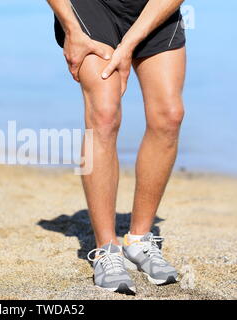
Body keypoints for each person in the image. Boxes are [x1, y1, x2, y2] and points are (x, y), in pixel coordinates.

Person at [46, 0, 186, 295]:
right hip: (90, 8)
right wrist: (71, 28)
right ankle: (106, 248)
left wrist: (130, 43)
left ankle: (139, 239)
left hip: (153, 8)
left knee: (169, 116)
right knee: (105, 114)